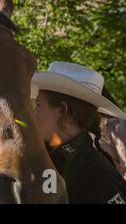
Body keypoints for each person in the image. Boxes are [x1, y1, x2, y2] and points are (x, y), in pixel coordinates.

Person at [32, 62, 126, 204]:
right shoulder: (46, 157)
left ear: (62, 111)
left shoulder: (95, 174)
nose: (33, 114)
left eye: (38, 105)